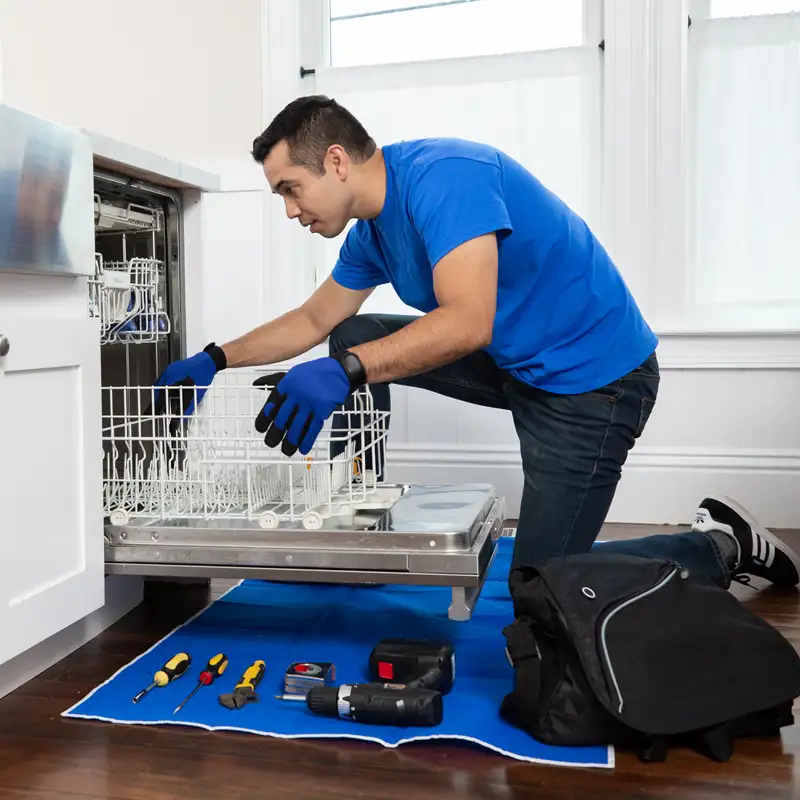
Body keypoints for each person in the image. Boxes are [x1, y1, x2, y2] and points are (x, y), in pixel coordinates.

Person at [154, 95, 799, 592]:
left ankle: (720, 545)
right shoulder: (371, 233)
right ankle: (359, 507)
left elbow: (467, 323)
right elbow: (312, 319)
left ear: (336, 161)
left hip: (593, 385)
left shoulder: (445, 178)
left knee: (543, 589)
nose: (290, 210)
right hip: (518, 366)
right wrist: (215, 360)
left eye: (289, 189)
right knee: (352, 330)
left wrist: (348, 373)